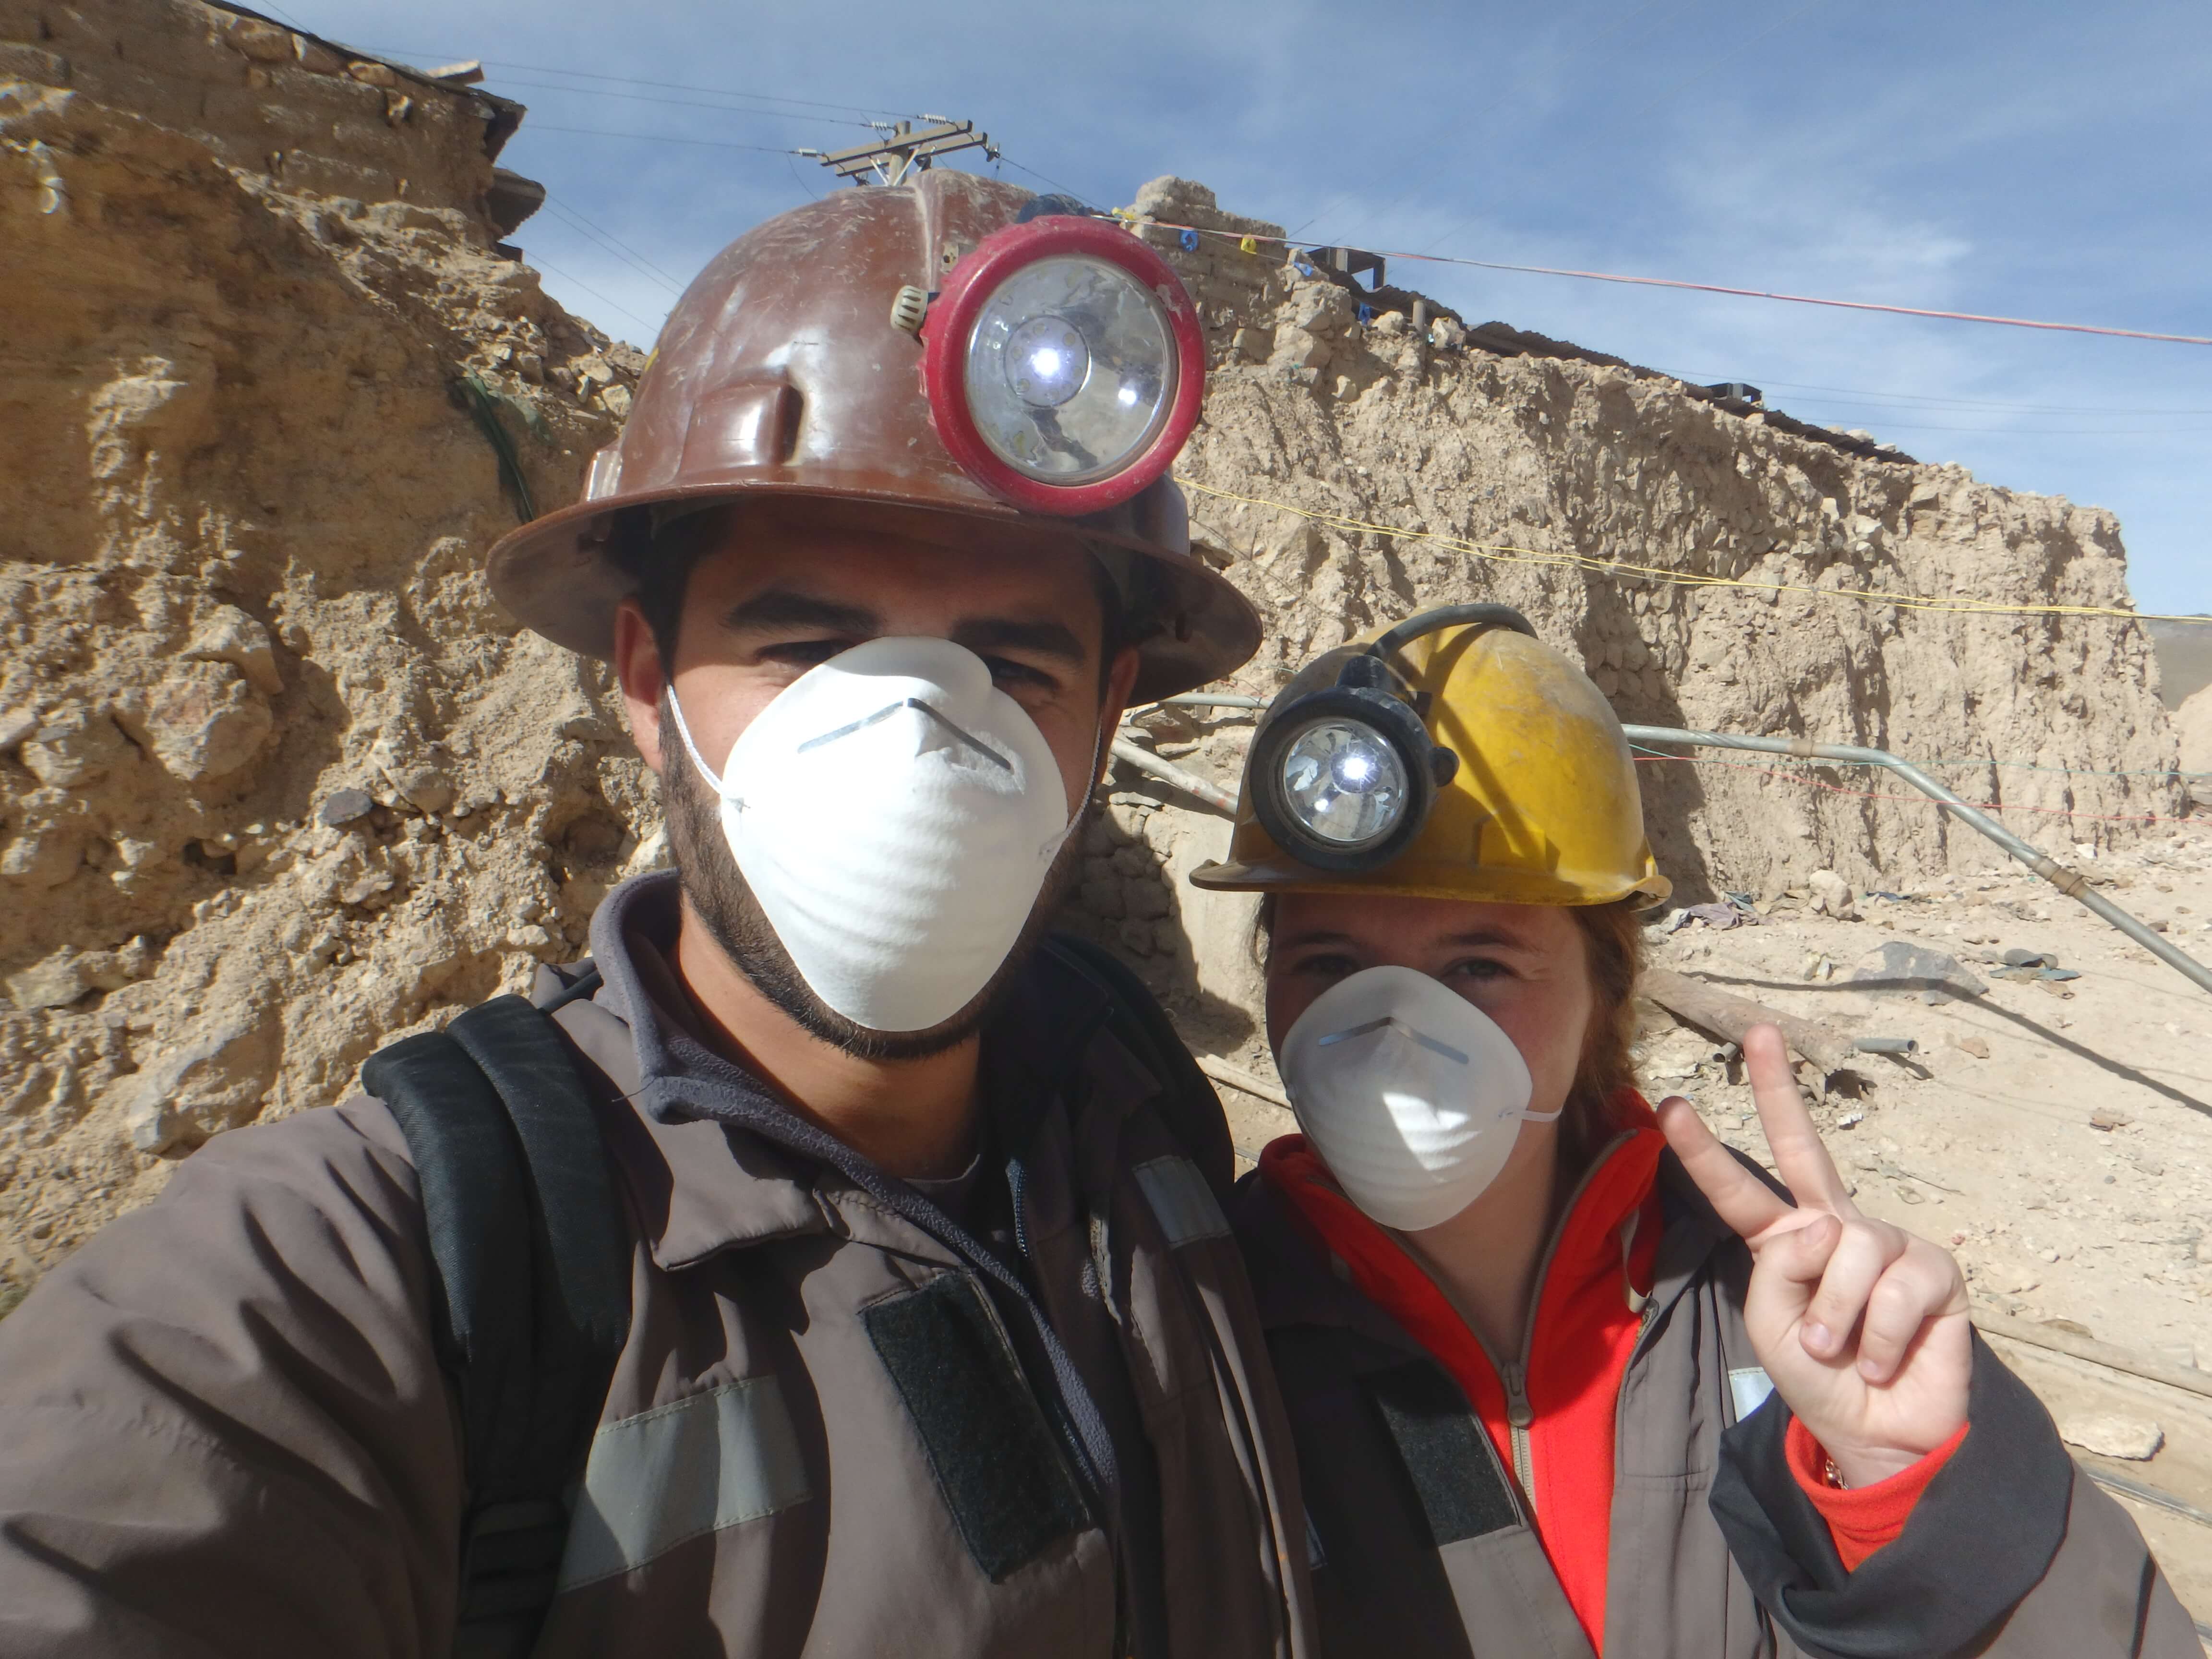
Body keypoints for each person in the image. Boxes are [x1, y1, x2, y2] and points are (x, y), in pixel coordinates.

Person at [0, 173, 1317, 1658]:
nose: (922, 749)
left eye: (1016, 670)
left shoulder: (1137, 1123)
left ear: (1110, 712)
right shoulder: (397, 1268)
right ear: (643, 678)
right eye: (808, 645)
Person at [1193, 605, 2195, 1657]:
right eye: (1330, 966)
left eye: (1478, 965)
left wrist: (1911, 1499)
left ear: (1606, 993)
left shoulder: (1790, 1316)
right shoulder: (1193, 1327)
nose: (1394, 1034)